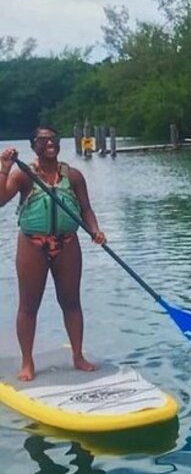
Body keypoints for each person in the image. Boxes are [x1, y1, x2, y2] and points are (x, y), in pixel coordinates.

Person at [0, 127, 106, 381]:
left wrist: (95, 230)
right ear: (33, 146)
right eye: (43, 140)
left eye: (53, 139)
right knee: (29, 305)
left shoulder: (74, 176)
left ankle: (78, 356)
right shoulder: (23, 175)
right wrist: (4, 168)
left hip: (67, 243)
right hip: (32, 244)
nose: (49, 143)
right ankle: (27, 361)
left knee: (71, 302)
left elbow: (86, 209)